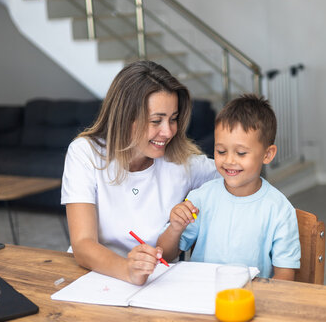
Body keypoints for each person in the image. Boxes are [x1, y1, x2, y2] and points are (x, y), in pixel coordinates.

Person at [61, 61, 218, 285]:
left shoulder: (182, 162)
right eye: (156, 121)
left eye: (173, 119)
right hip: (93, 278)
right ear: (125, 118)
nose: (168, 131)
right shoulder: (85, 153)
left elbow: (238, 174)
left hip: (156, 282)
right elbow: (83, 243)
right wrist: (127, 270)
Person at [157, 94, 301, 280]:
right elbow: (165, 255)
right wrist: (175, 227)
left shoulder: (279, 209)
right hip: (201, 297)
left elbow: (285, 275)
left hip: (249, 301)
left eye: (241, 153)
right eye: (221, 151)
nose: (229, 160)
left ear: (267, 154)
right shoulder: (201, 198)